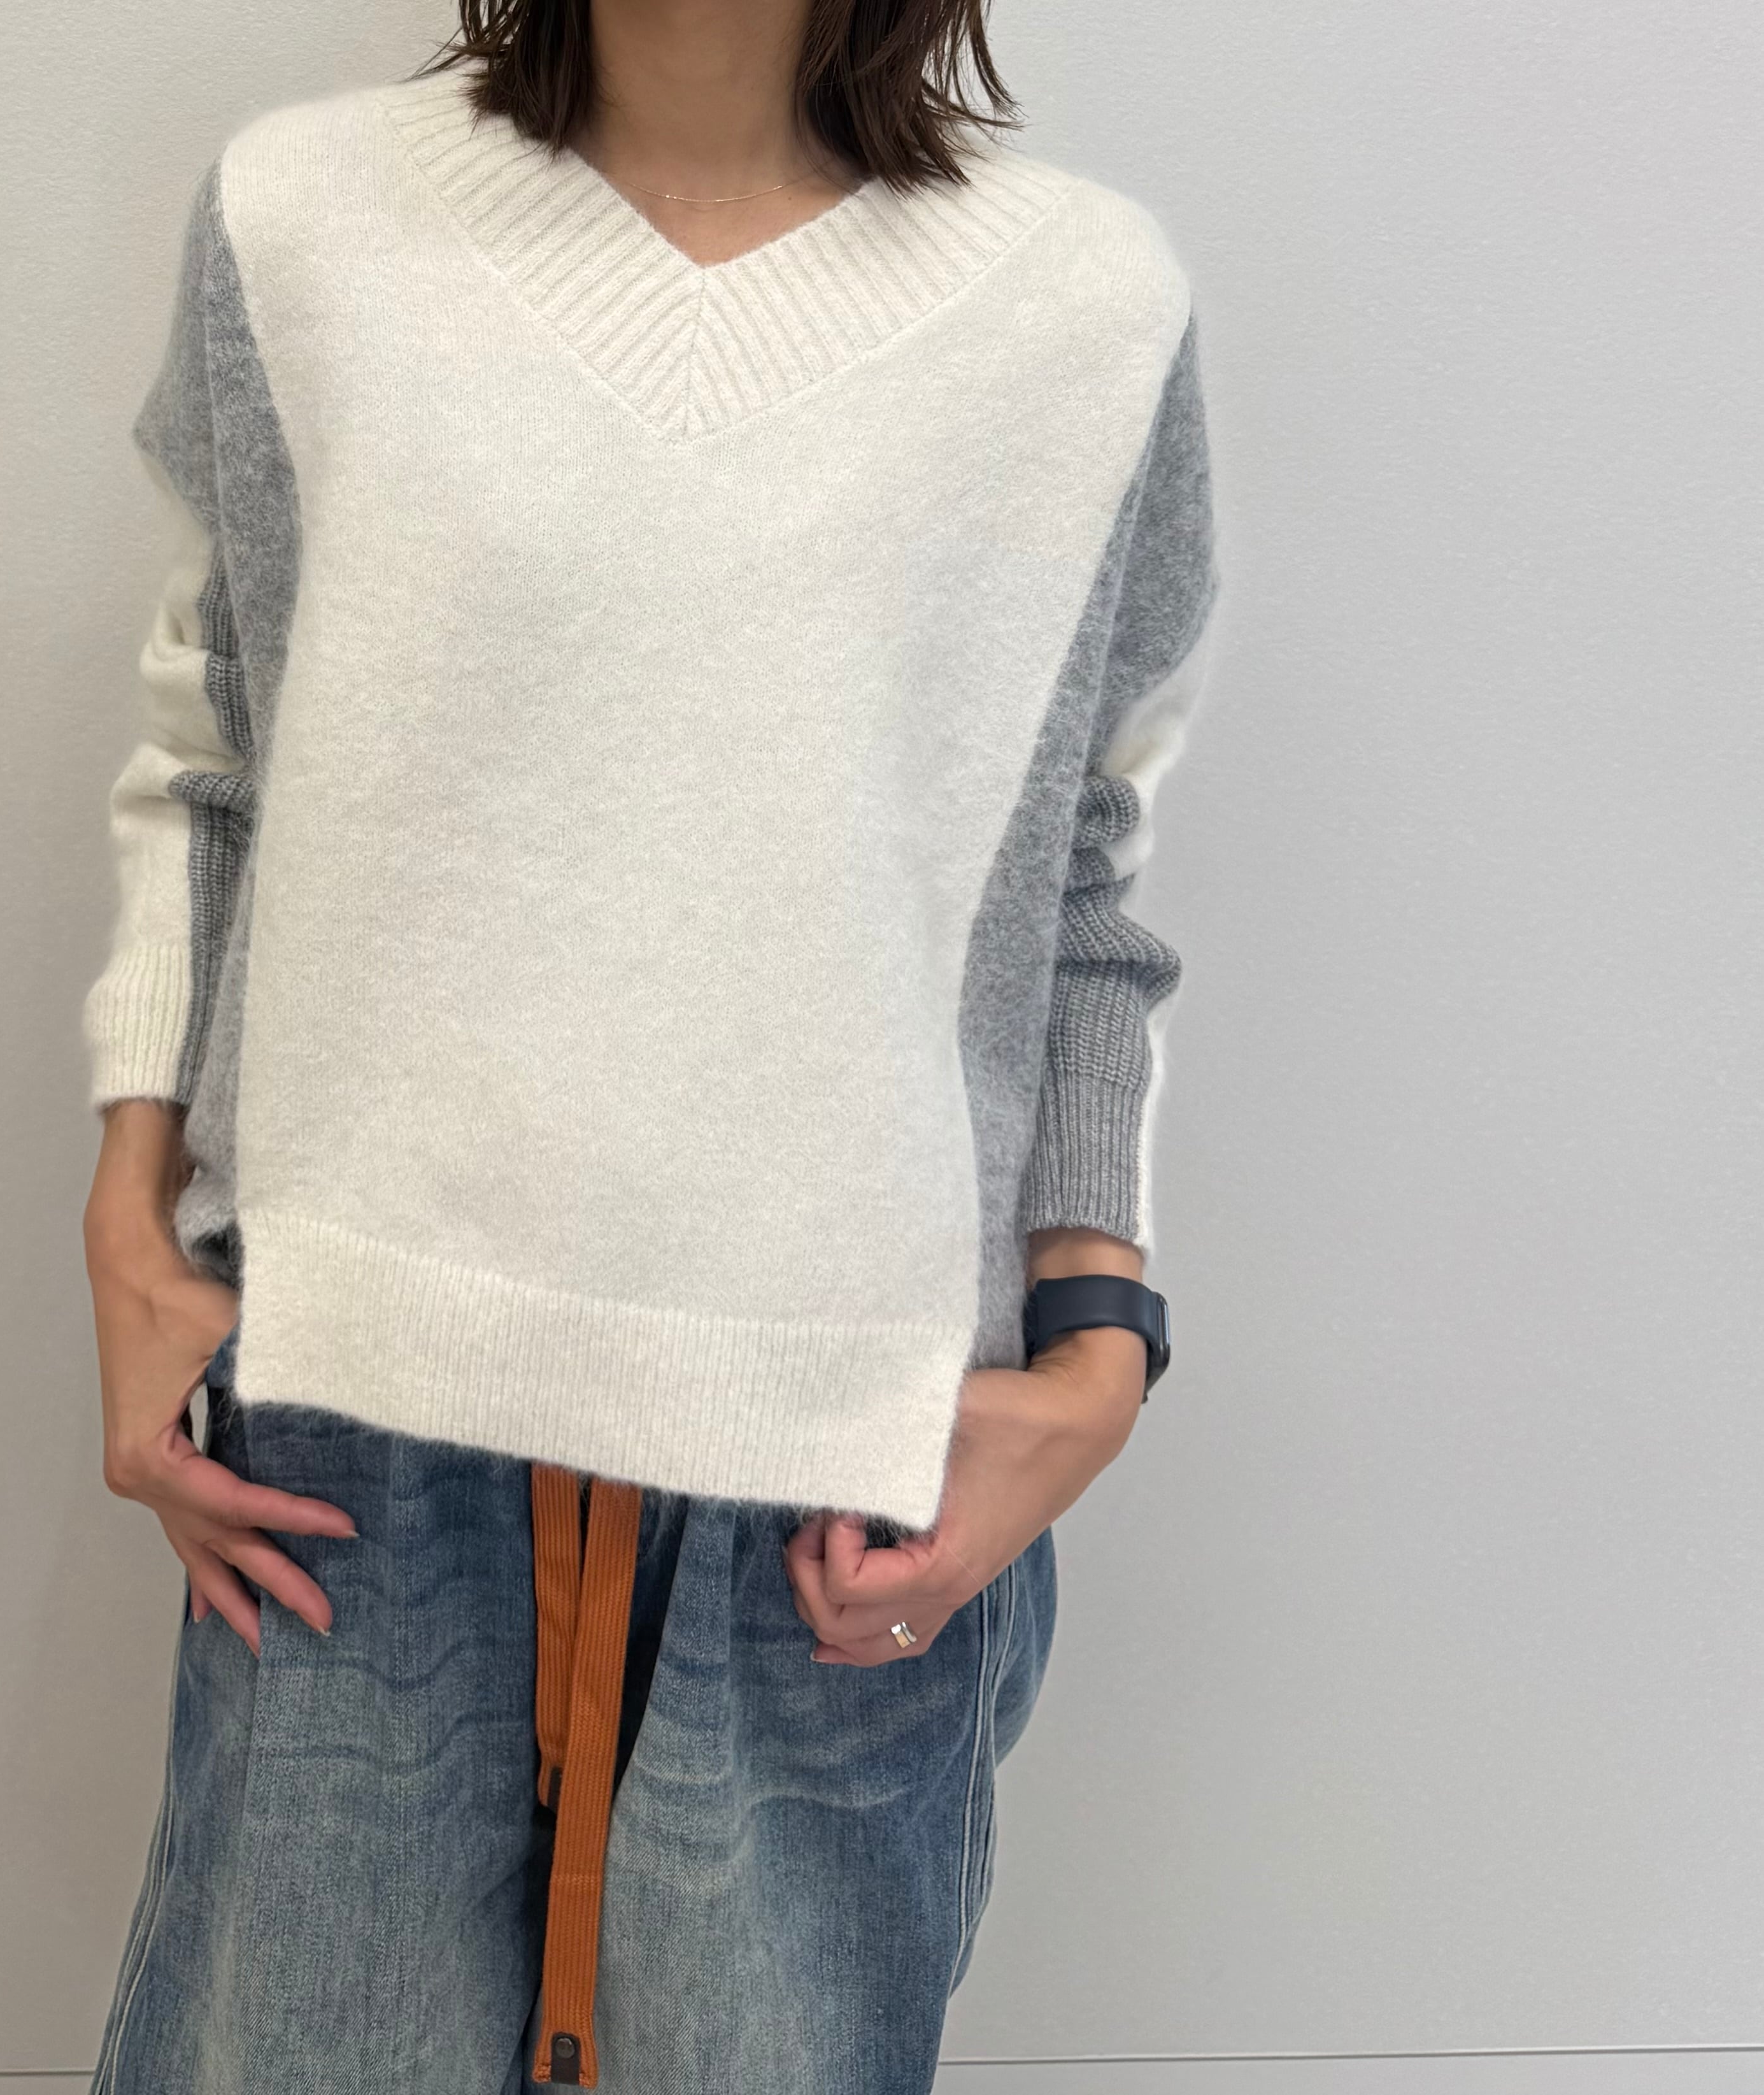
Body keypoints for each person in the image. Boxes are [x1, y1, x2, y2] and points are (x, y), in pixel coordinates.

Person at [80, 1, 1221, 2086]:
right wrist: (129, 1214)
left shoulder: (1079, 310)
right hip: (355, 1411)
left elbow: (1082, 876)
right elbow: (221, 752)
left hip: (851, 1445)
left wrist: (1100, 1342)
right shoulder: (306, 224)